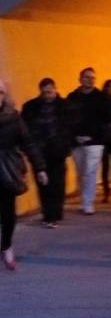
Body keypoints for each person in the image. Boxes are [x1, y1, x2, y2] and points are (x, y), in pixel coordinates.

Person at [0, 79, 48, 270]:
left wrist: (40, 167)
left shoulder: (13, 117)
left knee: (9, 213)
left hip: (8, 169)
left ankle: (7, 246)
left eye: (0, 92)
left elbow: (28, 142)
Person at [21, 78, 72, 228]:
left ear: (55, 89)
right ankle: (48, 214)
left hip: (58, 151)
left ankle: (55, 212)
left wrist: (66, 144)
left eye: (49, 92)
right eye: (44, 93)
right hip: (39, 152)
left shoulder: (64, 106)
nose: (47, 95)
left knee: (57, 183)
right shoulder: (31, 107)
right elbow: (25, 130)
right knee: (43, 184)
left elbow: (70, 127)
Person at [67, 67, 109, 215]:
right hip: (77, 141)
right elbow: (67, 120)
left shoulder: (101, 98)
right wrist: (75, 137)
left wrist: (95, 136)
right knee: (81, 172)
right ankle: (83, 199)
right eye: (86, 77)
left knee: (91, 172)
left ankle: (88, 203)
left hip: (95, 142)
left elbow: (106, 121)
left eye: (92, 77)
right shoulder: (72, 97)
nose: (90, 80)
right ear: (80, 79)